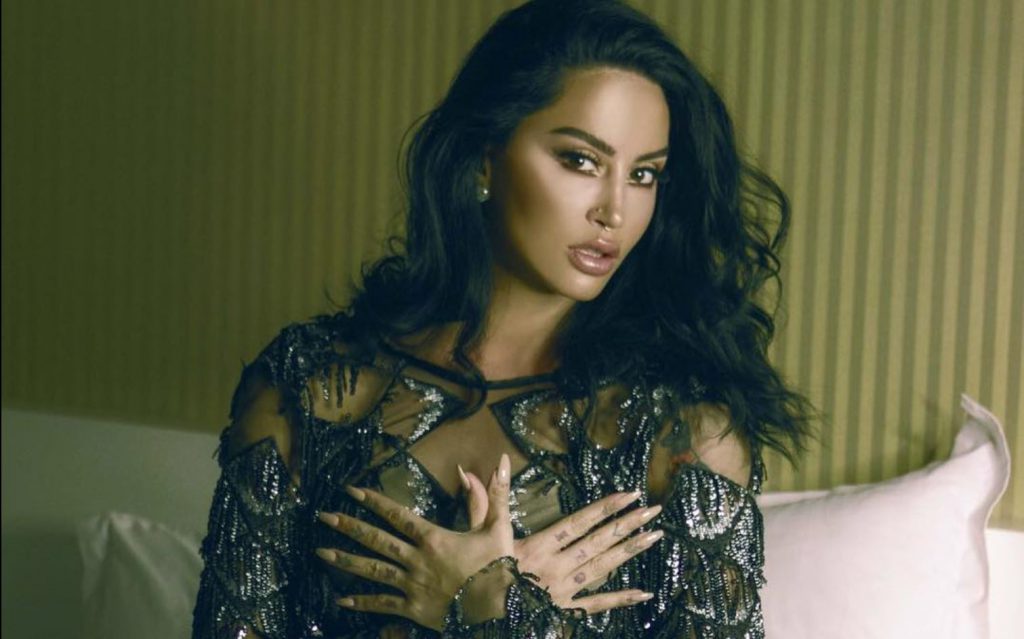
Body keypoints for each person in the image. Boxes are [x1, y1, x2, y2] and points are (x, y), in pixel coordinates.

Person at [191, 0, 813, 637]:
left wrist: (490, 606)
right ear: (483, 159)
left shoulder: (680, 434)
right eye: (581, 160)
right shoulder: (307, 387)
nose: (615, 211)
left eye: (644, 174)